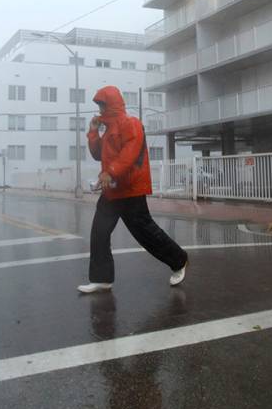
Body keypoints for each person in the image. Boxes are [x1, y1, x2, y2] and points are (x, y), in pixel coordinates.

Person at [76, 86, 189, 293]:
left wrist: (110, 171)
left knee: (145, 232)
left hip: (130, 189)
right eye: (99, 105)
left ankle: (179, 260)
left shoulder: (131, 123)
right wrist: (93, 131)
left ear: (111, 104)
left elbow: (130, 153)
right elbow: (97, 154)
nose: (100, 109)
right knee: (99, 233)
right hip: (112, 190)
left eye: (102, 104)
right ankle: (102, 279)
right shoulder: (108, 129)